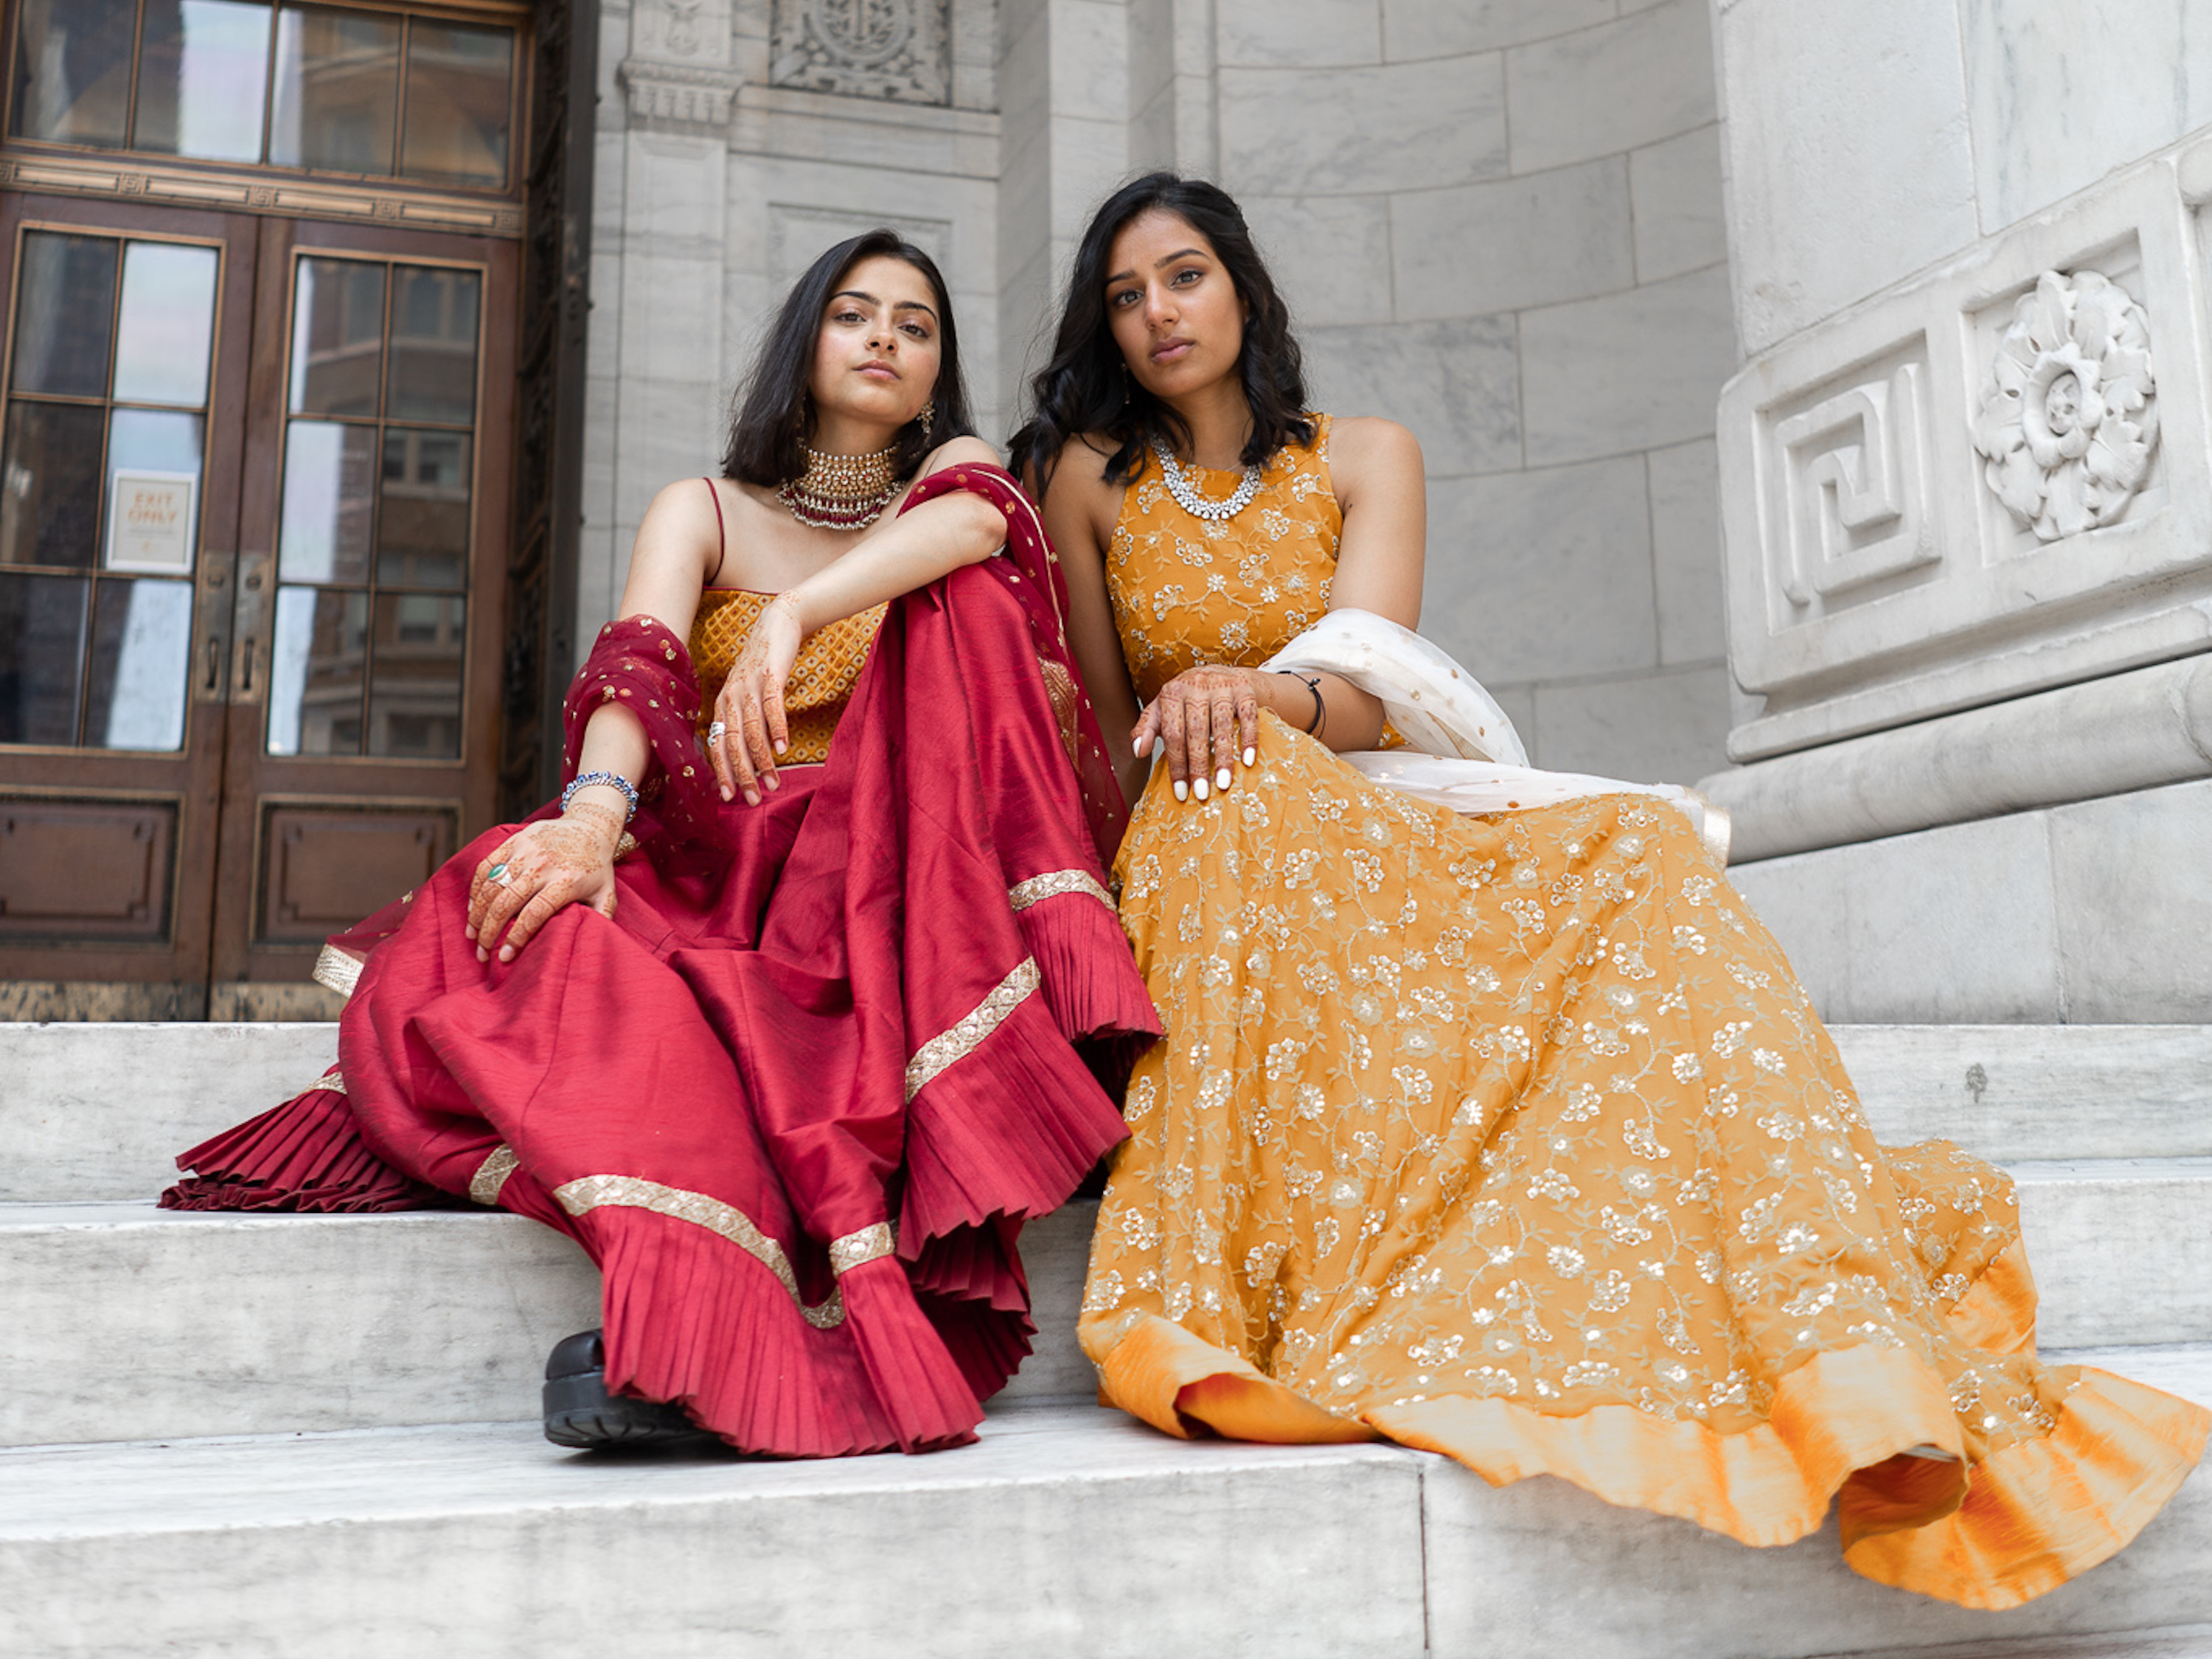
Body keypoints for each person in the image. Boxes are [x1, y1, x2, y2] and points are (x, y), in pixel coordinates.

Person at [1009, 173, 2207, 1609]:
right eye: (1128, 295)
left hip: (1353, 796)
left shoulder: (1363, 456)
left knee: (1640, 853)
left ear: (1244, 289)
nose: (1157, 315)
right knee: (1217, 788)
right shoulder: (1088, 479)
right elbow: (1091, 733)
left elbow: (1377, 688)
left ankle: (1810, 1293)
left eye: (1184, 276)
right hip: (1201, 829)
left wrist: (1253, 694)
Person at [166, 231, 1156, 1458]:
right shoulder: (703, 508)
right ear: (806, 340)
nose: (887, 339)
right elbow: (639, 666)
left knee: (967, 603)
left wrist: (797, 610)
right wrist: (590, 822)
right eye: (856, 314)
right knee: (530, 908)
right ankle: (699, 1297)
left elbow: (968, 532)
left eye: (916, 324)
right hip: (722, 855)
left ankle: (729, 1311)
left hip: (895, 876)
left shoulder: (951, 482)